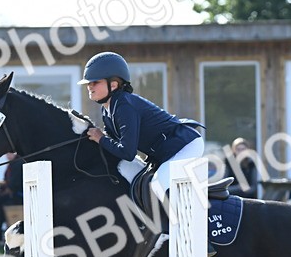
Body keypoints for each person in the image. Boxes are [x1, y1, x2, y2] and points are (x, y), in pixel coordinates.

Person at [79, 51, 204, 202]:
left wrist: (100, 138)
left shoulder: (124, 106)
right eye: (88, 83)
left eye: (95, 82)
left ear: (113, 84)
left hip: (184, 145)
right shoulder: (107, 109)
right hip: (165, 152)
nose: (89, 86)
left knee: (158, 186)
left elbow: (127, 152)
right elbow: (113, 144)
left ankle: (182, 224)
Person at [0, 154, 23, 242]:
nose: (7, 156)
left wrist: (2, 193)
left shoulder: (18, 163)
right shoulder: (12, 163)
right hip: (10, 193)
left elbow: (14, 185)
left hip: (17, 196)